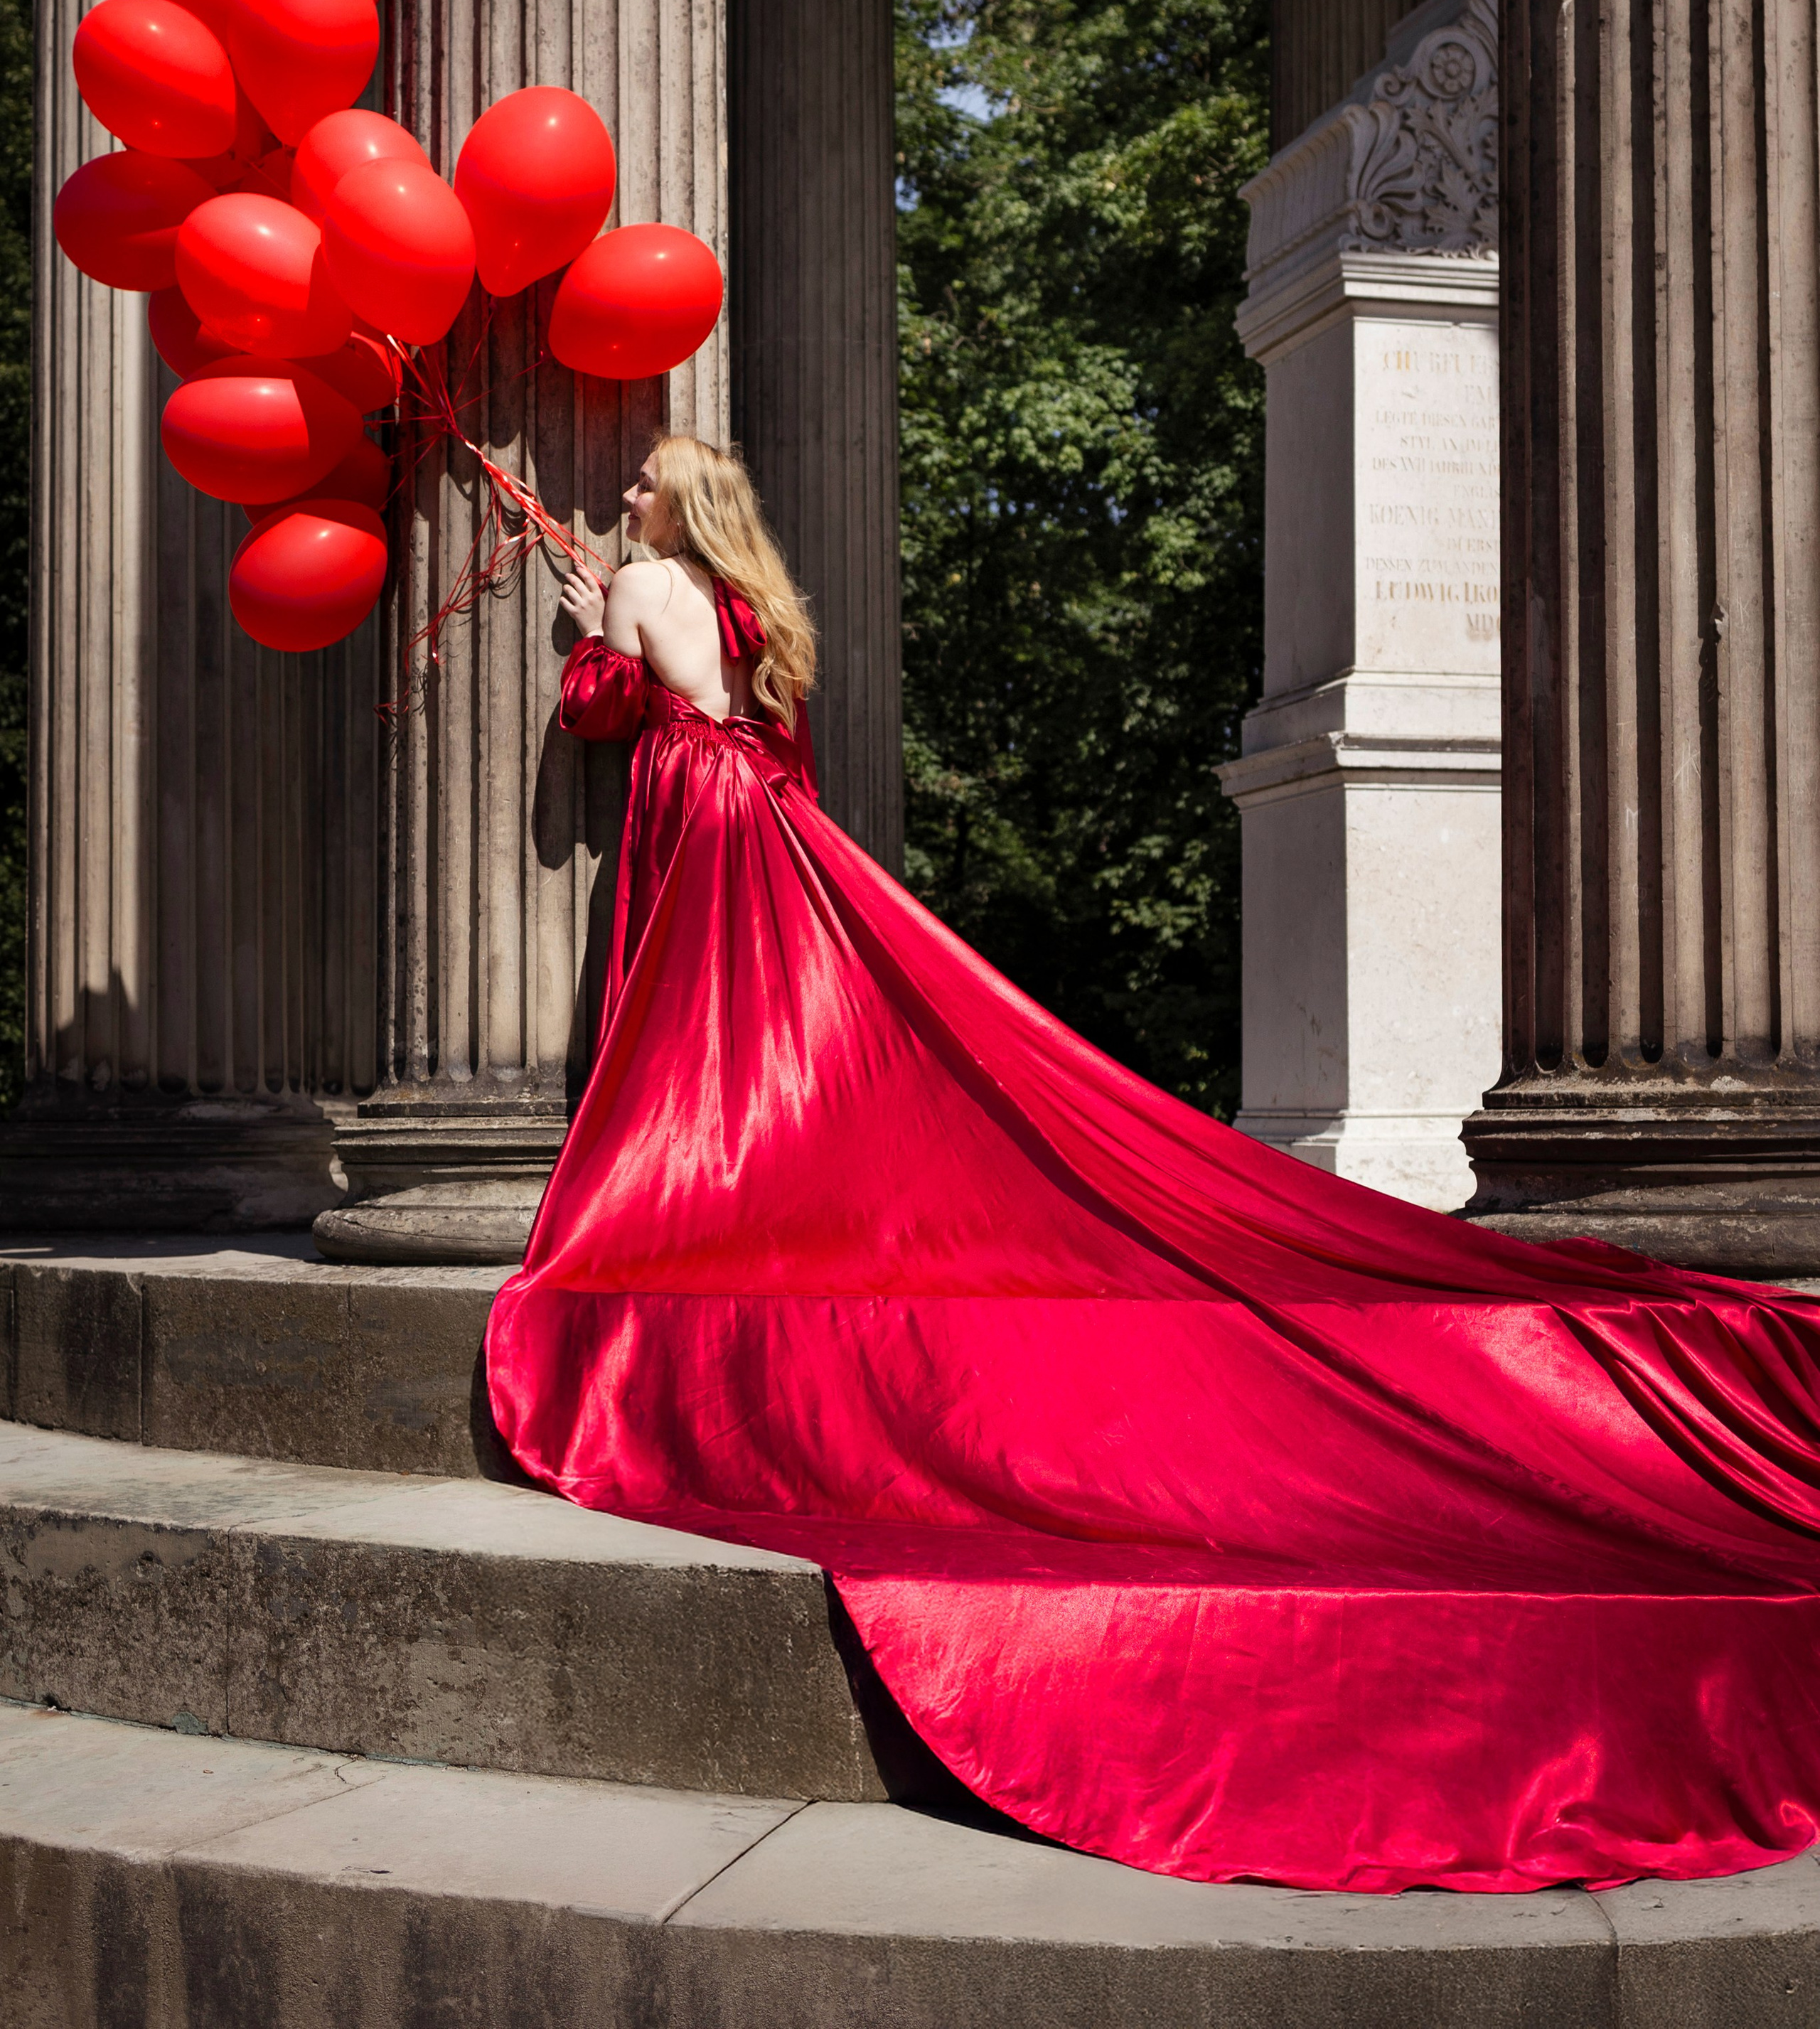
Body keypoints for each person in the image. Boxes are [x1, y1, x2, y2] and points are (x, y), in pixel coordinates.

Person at [488, 434, 1820, 1896]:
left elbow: (599, 711)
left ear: (678, 506)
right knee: (790, 1015)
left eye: (641, 483)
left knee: (699, 1015)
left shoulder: (649, 581)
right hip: (767, 804)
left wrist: (590, 617)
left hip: (698, 802)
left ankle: (703, 1193)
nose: (625, 496)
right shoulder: (753, 607)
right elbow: (776, 736)